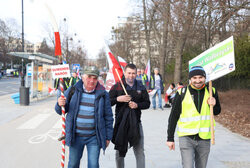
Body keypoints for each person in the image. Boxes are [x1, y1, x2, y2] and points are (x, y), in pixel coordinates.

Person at [55, 66, 114, 168]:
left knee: (93, 165)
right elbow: (61, 111)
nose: (92, 80)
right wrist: (59, 103)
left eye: (95, 78)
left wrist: (108, 137)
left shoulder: (103, 94)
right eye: (89, 77)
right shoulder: (73, 90)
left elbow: (108, 117)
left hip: (94, 137)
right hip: (76, 136)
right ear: (82, 78)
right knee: (73, 164)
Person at [166, 66, 221, 168]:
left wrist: (214, 104)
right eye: (194, 78)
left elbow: (217, 112)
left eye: (200, 77)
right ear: (190, 79)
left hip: (204, 138)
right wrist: (170, 138)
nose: (198, 80)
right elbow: (173, 116)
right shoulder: (181, 92)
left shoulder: (211, 91)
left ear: (205, 78)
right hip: (186, 138)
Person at [109, 63, 150, 168]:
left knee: (139, 150)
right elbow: (107, 102)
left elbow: (147, 103)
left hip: (136, 123)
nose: (131, 75)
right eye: (129, 73)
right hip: (121, 123)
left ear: (136, 74)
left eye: (133, 73)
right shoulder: (117, 86)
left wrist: (137, 105)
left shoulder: (140, 86)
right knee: (119, 151)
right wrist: (118, 99)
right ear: (124, 73)